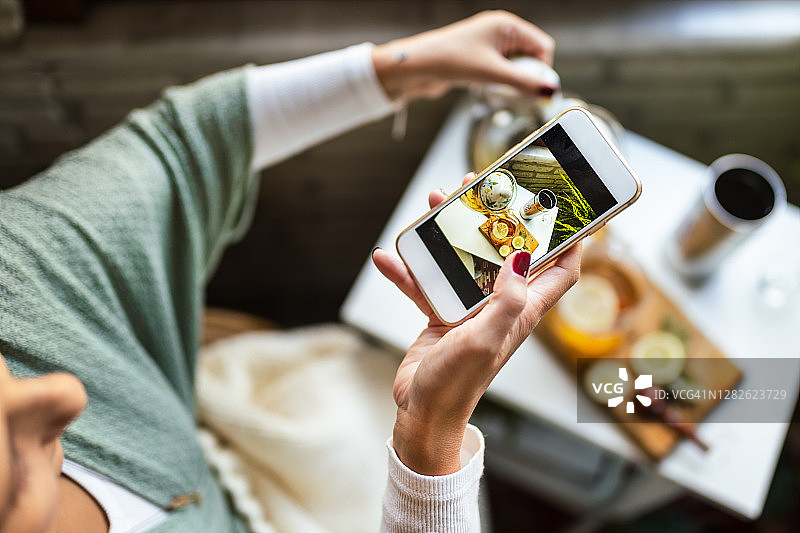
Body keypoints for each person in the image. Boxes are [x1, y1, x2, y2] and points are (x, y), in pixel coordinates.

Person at [0, 10, 579, 533]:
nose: (59, 393)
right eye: (8, 461)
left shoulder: (11, 284)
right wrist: (429, 445)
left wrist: (406, 67)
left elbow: (188, 139)